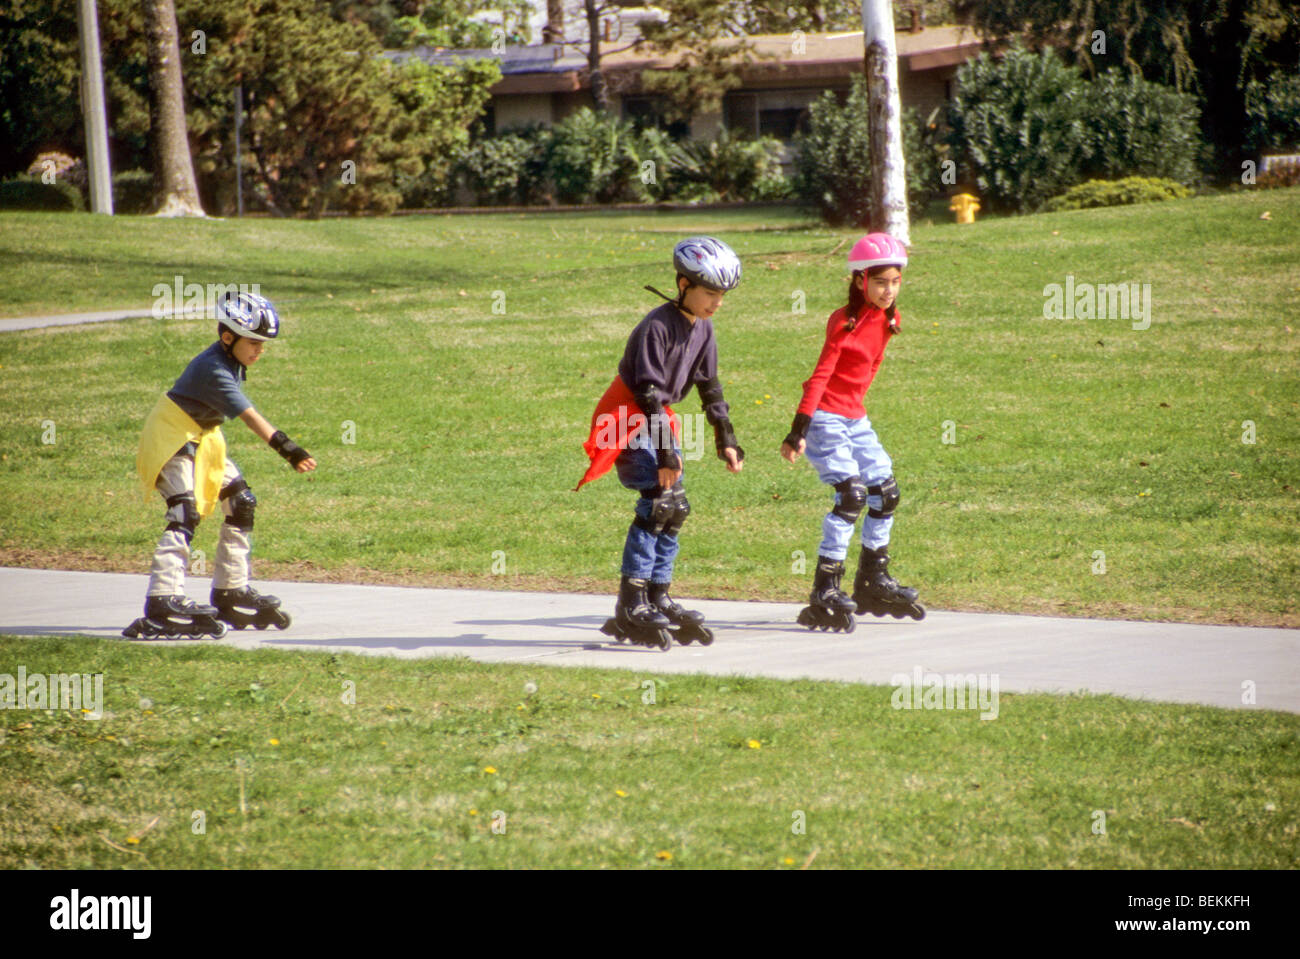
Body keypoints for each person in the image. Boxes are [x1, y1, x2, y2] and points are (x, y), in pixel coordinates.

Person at [576, 237, 745, 647]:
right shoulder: (656, 326)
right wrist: (667, 451)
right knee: (657, 504)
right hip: (625, 417)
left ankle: (658, 595)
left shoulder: (703, 328)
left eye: (722, 294)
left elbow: (710, 386)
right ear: (683, 284)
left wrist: (726, 437)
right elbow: (647, 392)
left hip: (657, 419)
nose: (716, 302)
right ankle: (631, 601)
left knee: (676, 508)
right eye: (710, 292)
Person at [123, 291, 316, 639]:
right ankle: (163, 599)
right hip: (172, 436)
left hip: (201, 437)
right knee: (185, 512)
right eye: (253, 342)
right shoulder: (214, 369)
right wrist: (291, 450)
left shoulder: (232, 361)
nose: (259, 349)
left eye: (263, 343)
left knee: (241, 503)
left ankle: (230, 590)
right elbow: (250, 417)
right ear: (228, 337)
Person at [781, 233, 925, 629]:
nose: (889, 290)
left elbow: (870, 369)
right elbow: (822, 373)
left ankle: (872, 580)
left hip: (855, 418)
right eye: (881, 282)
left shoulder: (890, 319)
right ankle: (825, 587)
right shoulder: (843, 321)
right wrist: (799, 428)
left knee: (886, 493)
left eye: (895, 281)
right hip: (825, 417)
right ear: (861, 281)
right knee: (853, 495)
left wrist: (855, 411)